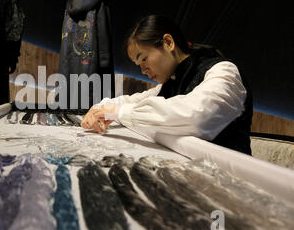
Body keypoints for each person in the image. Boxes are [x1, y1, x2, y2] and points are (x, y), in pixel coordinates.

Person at [81, 14, 253, 154]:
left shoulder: (225, 72)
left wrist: (117, 112)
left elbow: (196, 116)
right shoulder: (170, 82)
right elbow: (131, 101)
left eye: (144, 59)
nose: (143, 71)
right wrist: (101, 109)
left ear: (168, 43)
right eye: (139, 65)